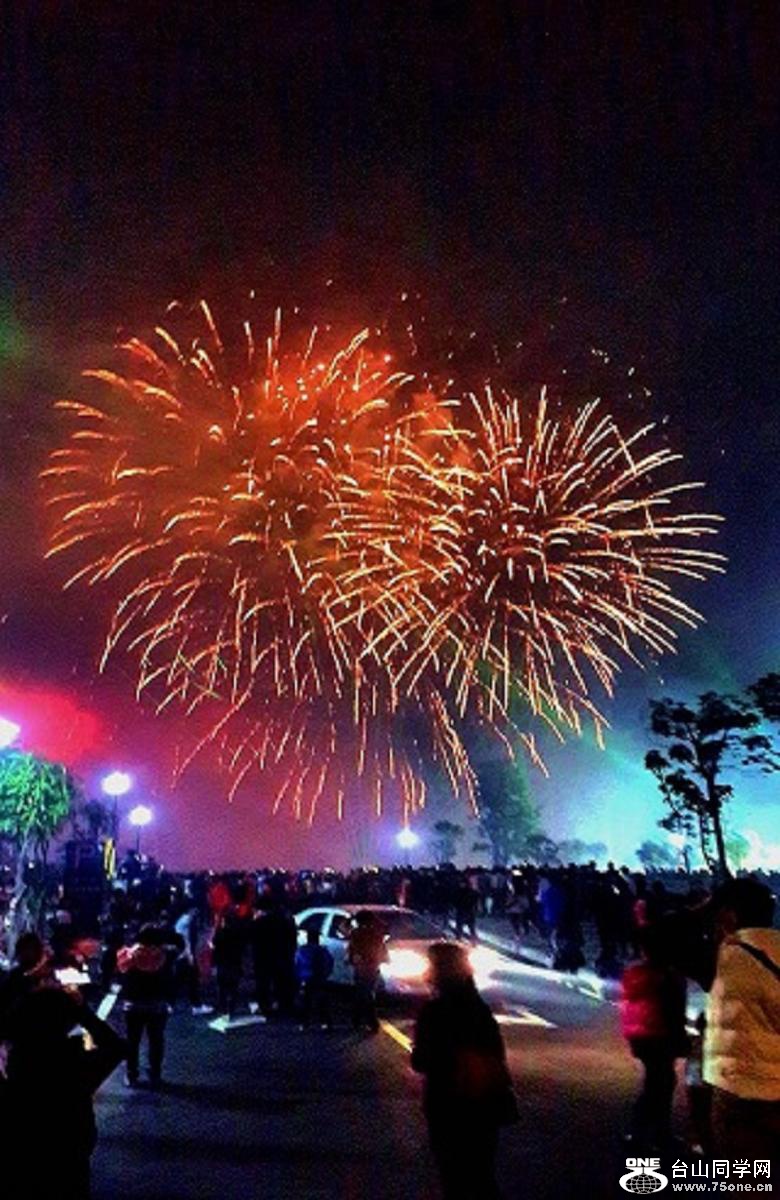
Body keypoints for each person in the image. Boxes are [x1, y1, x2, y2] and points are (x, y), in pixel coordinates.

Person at [412, 942, 517, 1199]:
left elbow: (421, 1061)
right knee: (482, 1174)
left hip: (447, 1102)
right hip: (484, 1102)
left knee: (454, 1175)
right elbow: (496, 1053)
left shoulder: (434, 1011)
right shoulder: (479, 1008)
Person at [3, 985, 125, 1198]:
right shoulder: (75, 1064)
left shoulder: (13, 1064)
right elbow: (115, 1048)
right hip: (70, 1150)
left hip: (17, 1153)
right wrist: (82, 1012)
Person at [704, 877, 780, 1159]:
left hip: (739, 1089)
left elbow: (656, 936)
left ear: (729, 915)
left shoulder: (726, 956)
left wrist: (703, 909)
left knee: (746, 1175)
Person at [620, 926, 688, 1150]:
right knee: (660, 1084)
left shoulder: (636, 973)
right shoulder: (667, 975)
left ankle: (654, 1133)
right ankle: (644, 1133)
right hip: (661, 1035)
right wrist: (680, 1038)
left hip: (641, 1035)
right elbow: (673, 1011)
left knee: (659, 1081)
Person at [116, 923, 174, 1088]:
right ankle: (155, 1073)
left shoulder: (128, 955)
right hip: (157, 1005)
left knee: (132, 1042)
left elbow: (120, 973)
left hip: (133, 1005)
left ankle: (131, 1074)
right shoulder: (165, 955)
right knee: (156, 1041)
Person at [347, 910, 388, 1032]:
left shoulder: (356, 933)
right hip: (373, 966)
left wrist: (351, 918)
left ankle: (358, 1020)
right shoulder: (377, 933)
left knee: (361, 993)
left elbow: (343, 929)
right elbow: (385, 928)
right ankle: (370, 1021)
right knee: (369, 993)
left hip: (360, 966)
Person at [295, 928, 334, 1029]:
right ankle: (325, 1022)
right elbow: (329, 963)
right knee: (322, 1001)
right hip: (320, 978)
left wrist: (299, 976)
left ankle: (304, 1023)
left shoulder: (302, 950)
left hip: (306, 978)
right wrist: (326, 974)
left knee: (306, 1001)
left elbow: (297, 964)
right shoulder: (322, 950)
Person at [211, 907, 245, 1019]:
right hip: (234, 963)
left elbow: (215, 946)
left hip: (222, 963)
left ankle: (223, 1010)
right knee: (233, 989)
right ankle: (231, 1009)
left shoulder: (220, 933)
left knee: (222, 989)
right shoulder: (239, 933)